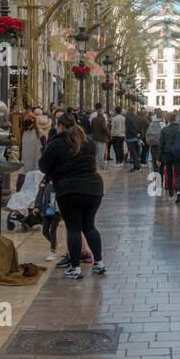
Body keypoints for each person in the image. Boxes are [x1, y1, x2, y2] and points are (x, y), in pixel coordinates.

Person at [38, 119, 106, 280]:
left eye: (57, 125)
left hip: (69, 189)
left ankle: (75, 268)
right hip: (94, 187)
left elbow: (43, 166)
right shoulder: (88, 141)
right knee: (89, 226)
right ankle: (99, 263)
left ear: (61, 126)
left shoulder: (56, 144)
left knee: (74, 228)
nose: (56, 127)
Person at [159, 110, 180, 202]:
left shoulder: (164, 130)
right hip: (178, 154)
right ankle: (179, 192)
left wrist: (159, 157)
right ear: (176, 119)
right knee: (178, 174)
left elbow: (161, 144)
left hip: (167, 154)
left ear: (169, 119)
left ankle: (171, 194)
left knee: (169, 173)